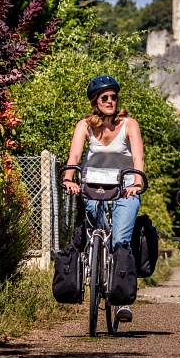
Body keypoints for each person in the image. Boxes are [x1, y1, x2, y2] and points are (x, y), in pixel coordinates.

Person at [62, 75, 145, 323]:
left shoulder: (129, 124)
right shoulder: (84, 126)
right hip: (93, 186)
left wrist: (137, 183)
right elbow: (74, 156)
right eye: (104, 98)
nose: (110, 101)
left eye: (113, 97)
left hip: (125, 187)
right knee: (95, 232)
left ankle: (121, 300)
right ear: (95, 102)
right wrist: (69, 179)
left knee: (120, 240)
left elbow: (138, 158)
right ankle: (93, 265)